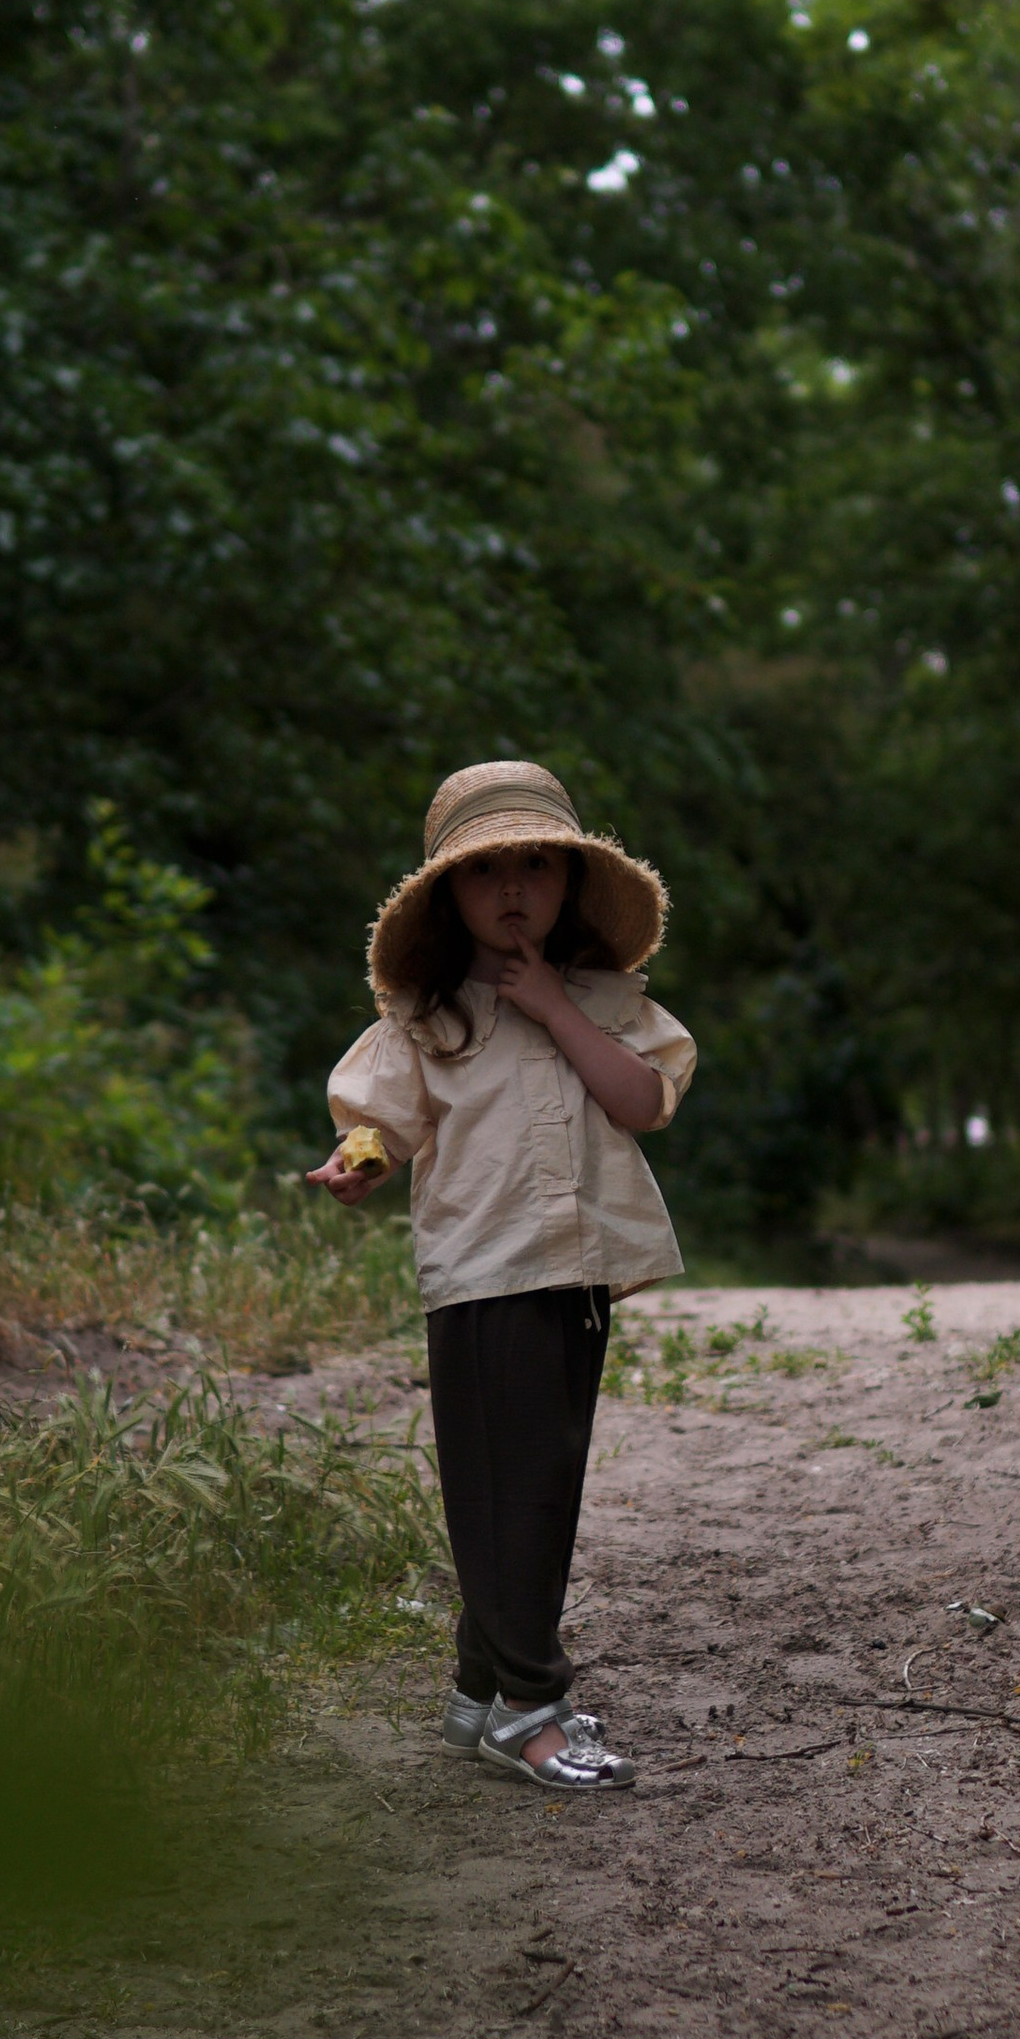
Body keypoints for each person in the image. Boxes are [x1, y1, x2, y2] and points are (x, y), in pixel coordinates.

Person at [303, 760, 695, 1796]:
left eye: (535, 866)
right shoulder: (427, 1020)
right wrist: (358, 1162)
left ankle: (479, 1691)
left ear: (568, 880)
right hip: (483, 1276)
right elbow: (381, 1122)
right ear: (448, 897)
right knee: (504, 1497)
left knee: (541, 1483)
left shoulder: (607, 1002)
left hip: (576, 1278)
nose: (513, 889)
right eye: (486, 873)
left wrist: (558, 1008)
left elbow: (642, 1102)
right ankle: (529, 1709)